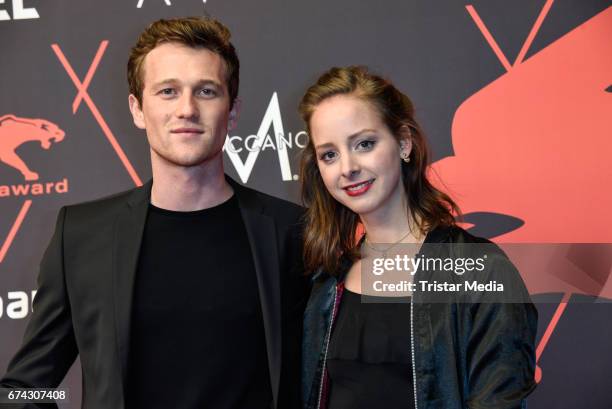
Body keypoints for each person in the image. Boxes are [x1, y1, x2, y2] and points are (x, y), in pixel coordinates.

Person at [1, 16, 307, 409]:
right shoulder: (79, 236)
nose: (187, 109)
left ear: (232, 112)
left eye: (207, 91)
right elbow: (24, 388)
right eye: (167, 91)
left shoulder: (290, 232)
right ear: (137, 109)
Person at [299, 66, 537, 409]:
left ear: (404, 143)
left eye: (364, 144)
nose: (347, 167)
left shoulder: (481, 271)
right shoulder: (326, 280)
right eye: (329, 154)